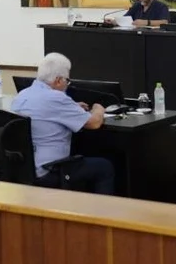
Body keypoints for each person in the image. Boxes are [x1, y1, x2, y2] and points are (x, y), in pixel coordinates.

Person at [10, 53, 114, 194]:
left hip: (23, 170)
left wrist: (72, 107)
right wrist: (98, 109)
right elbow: (94, 123)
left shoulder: (23, 95)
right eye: (67, 81)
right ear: (58, 80)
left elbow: (47, 110)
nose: (67, 84)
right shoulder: (56, 98)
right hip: (50, 169)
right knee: (104, 167)